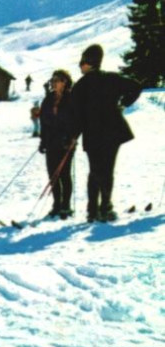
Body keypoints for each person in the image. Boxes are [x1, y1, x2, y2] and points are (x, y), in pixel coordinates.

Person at [61, 45, 143, 223]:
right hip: (114, 132)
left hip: (93, 135)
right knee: (107, 170)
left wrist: (71, 136)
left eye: (82, 62)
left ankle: (93, 211)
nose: (80, 66)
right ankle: (105, 208)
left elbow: (76, 117)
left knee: (95, 171)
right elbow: (136, 86)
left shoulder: (80, 87)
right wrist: (124, 103)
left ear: (89, 64)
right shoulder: (112, 78)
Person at [38, 69, 78, 220]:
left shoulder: (72, 99)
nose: (54, 83)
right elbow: (43, 122)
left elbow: (77, 120)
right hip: (51, 141)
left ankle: (66, 206)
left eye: (57, 80)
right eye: (52, 80)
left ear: (65, 82)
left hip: (66, 142)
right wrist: (43, 141)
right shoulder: (48, 100)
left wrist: (72, 138)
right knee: (52, 175)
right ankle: (56, 204)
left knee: (64, 174)